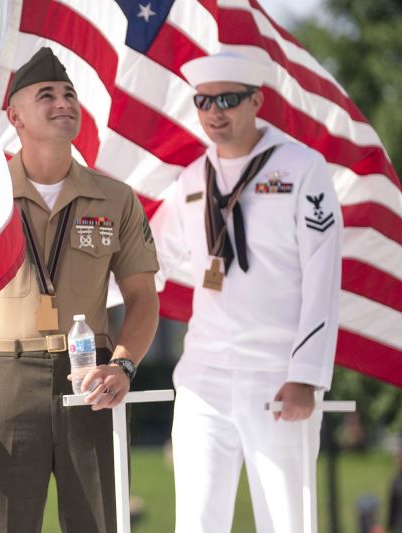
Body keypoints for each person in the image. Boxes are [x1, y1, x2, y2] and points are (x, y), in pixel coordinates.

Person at [0, 47, 160, 533]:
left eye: (69, 94)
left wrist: (124, 365)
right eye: (47, 95)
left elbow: (144, 299)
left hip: (91, 377)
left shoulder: (116, 198)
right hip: (2, 379)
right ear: (15, 116)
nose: (64, 102)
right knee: (0, 524)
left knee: (100, 522)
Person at [153, 51, 342, 532]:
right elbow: (148, 260)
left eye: (229, 100)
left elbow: (324, 275)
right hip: (202, 376)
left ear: (256, 101)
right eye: (204, 101)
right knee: (195, 522)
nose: (215, 112)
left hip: (277, 376)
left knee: (287, 520)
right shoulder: (193, 179)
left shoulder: (303, 168)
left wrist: (306, 374)